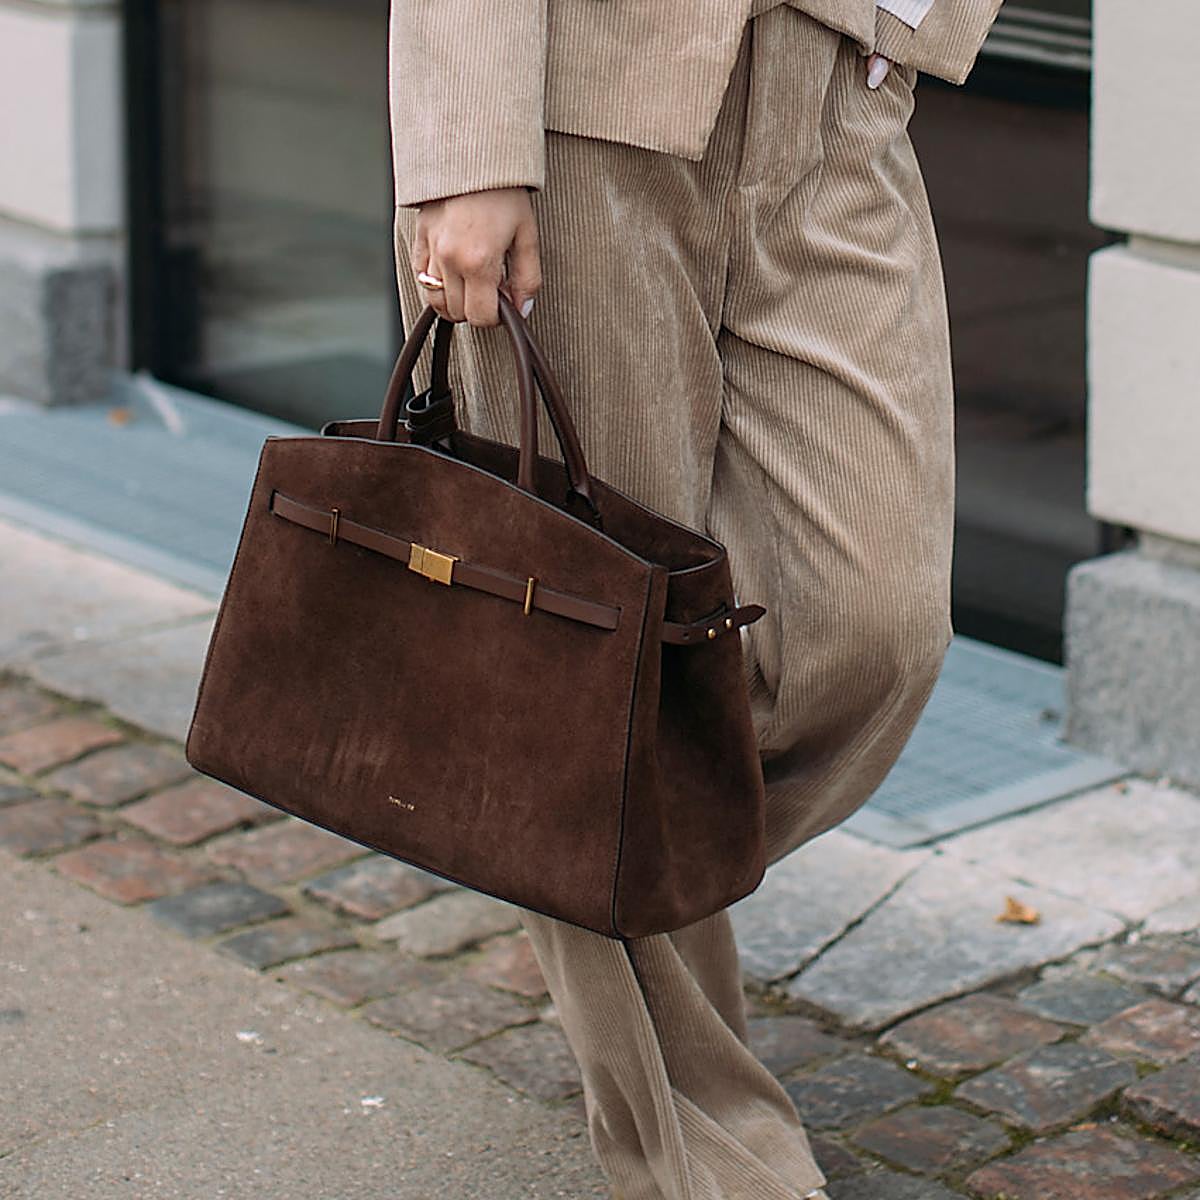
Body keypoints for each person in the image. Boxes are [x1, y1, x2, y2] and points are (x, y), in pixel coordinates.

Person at [388, 0, 1003, 1196]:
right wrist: (472, 148)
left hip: (839, 99)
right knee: (587, 657)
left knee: (874, 630)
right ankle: (709, 1159)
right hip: (584, 112)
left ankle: (579, 837)